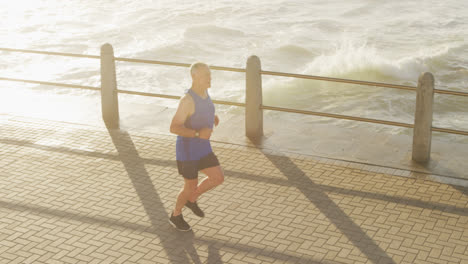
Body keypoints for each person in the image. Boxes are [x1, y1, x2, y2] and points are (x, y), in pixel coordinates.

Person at [169, 62, 225, 231]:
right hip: (187, 152)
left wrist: (211, 116)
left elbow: (201, 110)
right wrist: (197, 134)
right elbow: (174, 127)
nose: (210, 78)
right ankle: (176, 214)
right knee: (189, 185)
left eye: (210, 74)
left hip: (203, 148)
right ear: (194, 77)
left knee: (218, 178)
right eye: (206, 75)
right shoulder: (187, 100)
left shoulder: (205, 92)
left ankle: (191, 199)